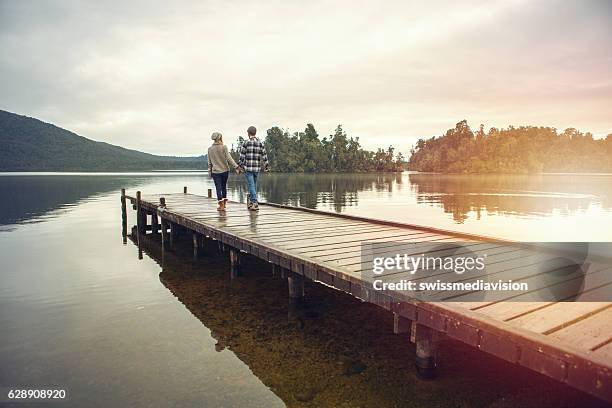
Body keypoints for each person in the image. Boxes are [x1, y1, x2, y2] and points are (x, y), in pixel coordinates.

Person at [238, 126, 269, 211]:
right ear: (255, 133)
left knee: (251, 185)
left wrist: (239, 166)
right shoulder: (260, 143)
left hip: (248, 168)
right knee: (254, 185)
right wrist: (266, 166)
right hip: (257, 168)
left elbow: (242, 156)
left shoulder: (246, 142)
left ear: (248, 133)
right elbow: (264, 155)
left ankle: (255, 203)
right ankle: (252, 202)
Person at [208, 132, 240, 211]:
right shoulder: (224, 147)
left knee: (218, 188)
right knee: (223, 187)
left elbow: (209, 163)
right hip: (225, 171)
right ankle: (224, 204)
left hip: (215, 172)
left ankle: (221, 205)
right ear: (219, 138)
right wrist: (236, 166)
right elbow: (229, 159)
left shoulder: (210, 149)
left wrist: (209, 172)